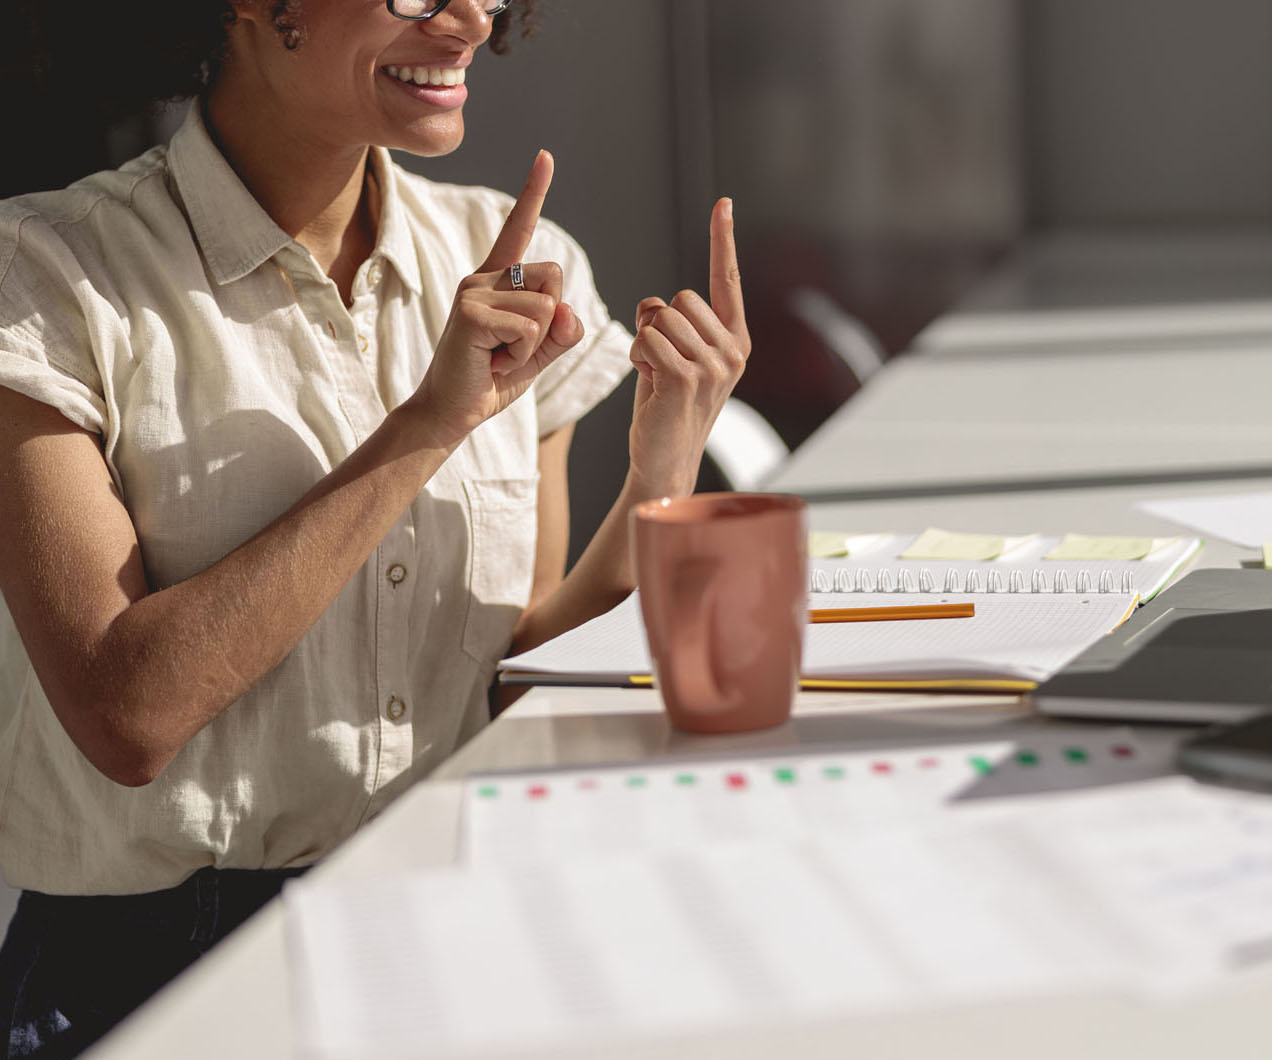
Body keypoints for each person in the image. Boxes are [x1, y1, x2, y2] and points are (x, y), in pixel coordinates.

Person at [0, 0, 751, 1055]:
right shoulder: (44, 277)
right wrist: (428, 425)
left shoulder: (519, 262)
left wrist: (660, 475)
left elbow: (515, 680)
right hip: (152, 978)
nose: (467, 23)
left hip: (464, 926)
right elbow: (127, 715)